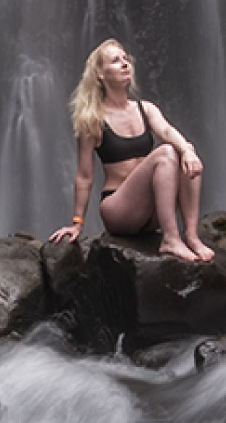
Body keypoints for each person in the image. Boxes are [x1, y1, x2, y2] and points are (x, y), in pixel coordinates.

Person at [47, 39, 215, 262]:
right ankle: (170, 239)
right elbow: (84, 177)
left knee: (184, 149)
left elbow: (166, 130)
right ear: (100, 74)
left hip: (154, 210)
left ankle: (191, 236)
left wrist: (187, 150)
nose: (125, 64)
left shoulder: (146, 109)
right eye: (116, 61)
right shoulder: (93, 121)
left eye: (126, 59)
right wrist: (77, 223)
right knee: (166, 153)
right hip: (120, 210)